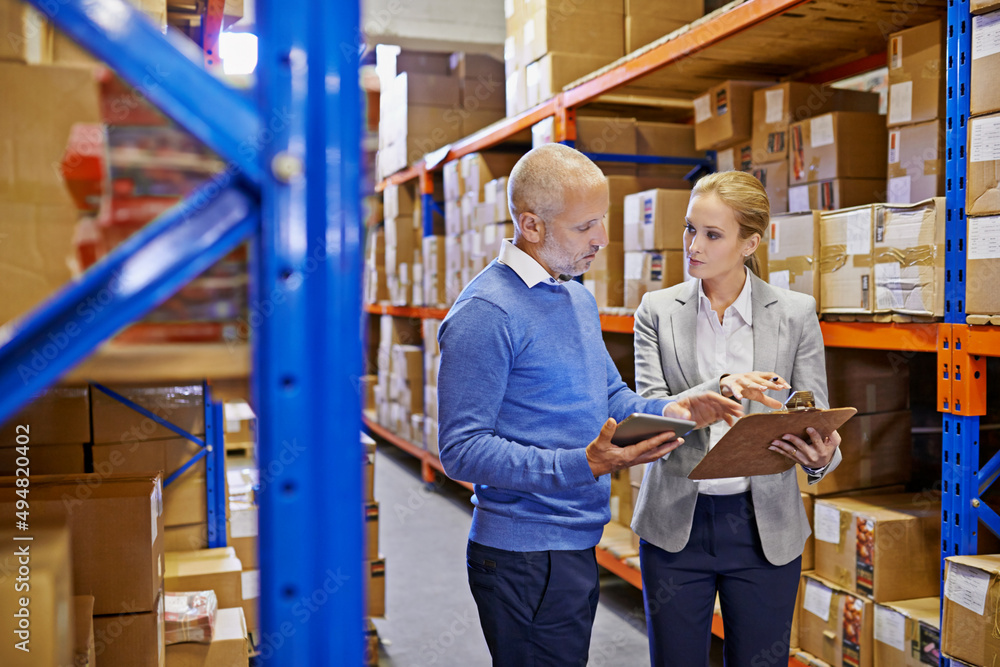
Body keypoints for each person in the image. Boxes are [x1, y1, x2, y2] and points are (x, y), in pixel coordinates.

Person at [436, 143, 743, 667]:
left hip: (574, 540)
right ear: (531, 225)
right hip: (523, 553)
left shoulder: (573, 295)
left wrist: (676, 409)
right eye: (585, 227)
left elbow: (610, 397)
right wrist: (584, 464)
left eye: (601, 221)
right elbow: (462, 451)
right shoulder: (486, 312)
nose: (602, 239)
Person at [631, 170, 843, 666]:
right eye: (689, 229)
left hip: (763, 526)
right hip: (675, 524)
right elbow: (647, 411)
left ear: (750, 242)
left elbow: (813, 417)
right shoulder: (657, 311)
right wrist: (720, 386)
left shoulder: (794, 313)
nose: (693, 246)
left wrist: (818, 459)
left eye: (711, 234)